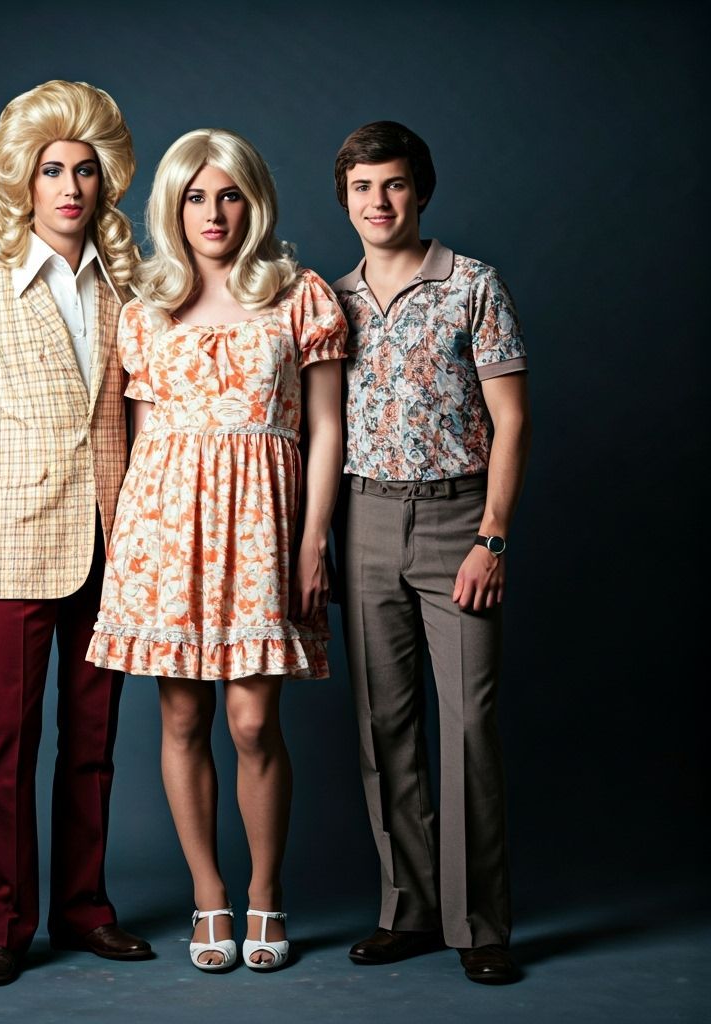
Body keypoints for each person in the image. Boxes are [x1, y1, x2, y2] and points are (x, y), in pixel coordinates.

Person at [0, 79, 151, 986]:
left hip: (115, 546)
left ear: (107, 181)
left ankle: (85, 910)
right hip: (13, 544)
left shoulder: (133, 293)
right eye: (53, 170)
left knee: (94, 742)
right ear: (24, 182)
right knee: (6, 737)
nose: (71, 186)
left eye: (85, 169)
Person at [87, 129, 347, 972]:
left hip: (266, 529)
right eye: (195, 196)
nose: (213, 212)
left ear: (254, 200)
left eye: (228, 194)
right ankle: (209, 897)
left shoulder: (299, 295)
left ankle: (265, 893)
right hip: (164, 533)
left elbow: (326, 428)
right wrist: (127, 551)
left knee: (252, 719)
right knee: (182, 715)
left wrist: (315, 540)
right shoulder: (144, 307)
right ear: (172, 206)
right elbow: (131, 440)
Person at [332, 121, 531, 985]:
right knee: (384, 726)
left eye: (395, 185)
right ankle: (407, 909)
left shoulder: (473, 285)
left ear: (422, 190)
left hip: (457, 521)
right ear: (345, 199)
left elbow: (513, 419)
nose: (380, 203)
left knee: (469, 725)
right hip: (365, 519)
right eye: (362, 189)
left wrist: (493, 537)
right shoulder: (326, 298)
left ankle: (480, 924)